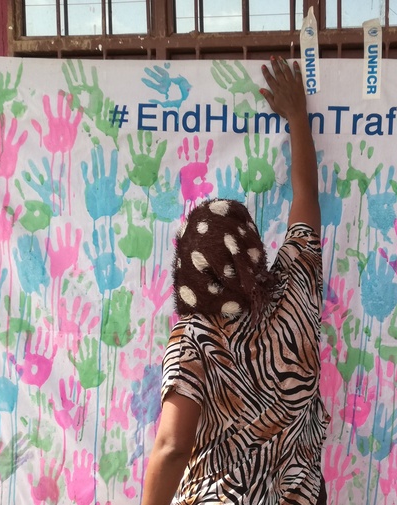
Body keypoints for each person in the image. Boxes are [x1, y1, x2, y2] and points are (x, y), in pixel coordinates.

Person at [141, 56, 329, 505]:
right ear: (252, 251)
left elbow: (172, 448)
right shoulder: (297, 286)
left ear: (188, 273)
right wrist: (297, 119)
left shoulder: (194, 340)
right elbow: (306, 195)